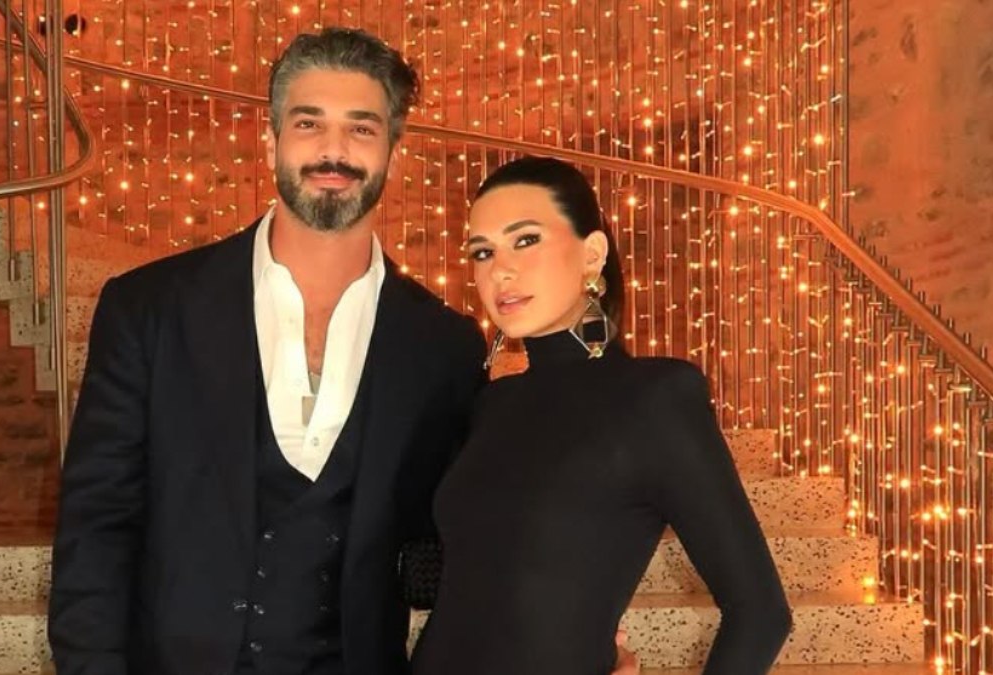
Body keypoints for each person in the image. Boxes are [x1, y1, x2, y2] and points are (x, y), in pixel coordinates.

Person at [47, 28, 639, 675]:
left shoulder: (442, 346)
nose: (334, 150)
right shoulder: (149, 309)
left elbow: (468, 542)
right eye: (309, 124)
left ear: (392, 152)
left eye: (361, 128)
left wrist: (576, 634)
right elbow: (97, 526)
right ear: (271, 141)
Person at [410, 156, 793, 675]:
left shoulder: (653, 397)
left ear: (591, 254)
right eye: (483, 251)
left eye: (526, 240)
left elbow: (761, 612)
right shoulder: (491, 402)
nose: (500, 270)